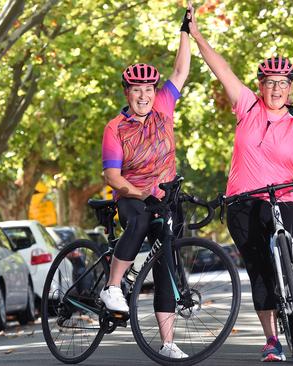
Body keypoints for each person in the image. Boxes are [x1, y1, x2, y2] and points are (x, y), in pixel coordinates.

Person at [186, 10, 293, 363]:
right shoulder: (247, 105)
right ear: (260, 85)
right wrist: (196, 34)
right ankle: (271, 340)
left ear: (291, 87)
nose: (276, 89)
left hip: (284, 195)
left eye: (283, 83)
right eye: (269, 82)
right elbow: (220, 67)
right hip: (243, 201)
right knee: (260, 269)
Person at [98, 3, 193, 359]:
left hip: (164, 196)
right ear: (127, 93)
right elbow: (111, 174)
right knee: (137, 219)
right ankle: (112, 285)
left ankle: (168, 343)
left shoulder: (164, 106)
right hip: (131, 194)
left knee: (166, 261)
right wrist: (134, 191)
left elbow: (181, 69)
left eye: (148, 89)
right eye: (136, 90)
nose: (143, 95)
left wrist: (186, 29)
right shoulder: (115, 128)